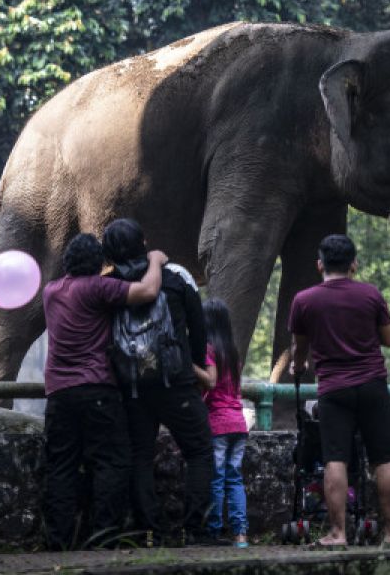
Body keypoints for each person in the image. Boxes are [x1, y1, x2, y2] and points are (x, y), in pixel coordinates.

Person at [41, 232, 166, 550]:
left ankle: (58, 540)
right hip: (96, 388)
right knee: (112, 462)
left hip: (58, 392)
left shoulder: (51, 291)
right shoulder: (98, 288)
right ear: (98, 264)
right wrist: (155, 260)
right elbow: (148, 291)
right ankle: (103, 536)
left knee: (61, 467)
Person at [102, 219, 214, 546]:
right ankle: (196, 530)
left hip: (132, 385)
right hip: (175, 381)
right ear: (145, 242)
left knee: (140, 455)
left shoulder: (109, 285)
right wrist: (194, 369)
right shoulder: (176, 276)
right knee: (200, 450)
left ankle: (148, 532)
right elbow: (198, 327)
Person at [289, 233, 390, 547]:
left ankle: (338, 533)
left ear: (319, 264)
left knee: (335, 458)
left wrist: (297, 367)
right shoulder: (371, 295)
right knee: (383, 458)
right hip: (372, 384)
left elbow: (299, 350)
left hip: (333, 388)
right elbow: (389, 340)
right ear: (354, 264)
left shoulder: (305, 300)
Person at [197, 299, 250, 548]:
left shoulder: (208, 351)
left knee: (217, 479)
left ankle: (214, 531)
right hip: (239, 424)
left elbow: (208, 386)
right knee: (235, 479)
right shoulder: (233, 353)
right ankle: (241, 535)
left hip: (218, 424)